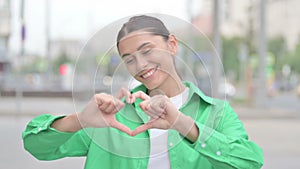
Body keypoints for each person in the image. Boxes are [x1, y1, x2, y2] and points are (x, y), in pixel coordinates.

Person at [22, 15, 264, 169]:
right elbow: (36, 145)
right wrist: (80, 120)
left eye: (147, 51)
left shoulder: (216, 113)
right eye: (129, 59)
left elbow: (250, 162)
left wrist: (182, 124)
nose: (140, 65)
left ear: (172, 44)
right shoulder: (111, 116)